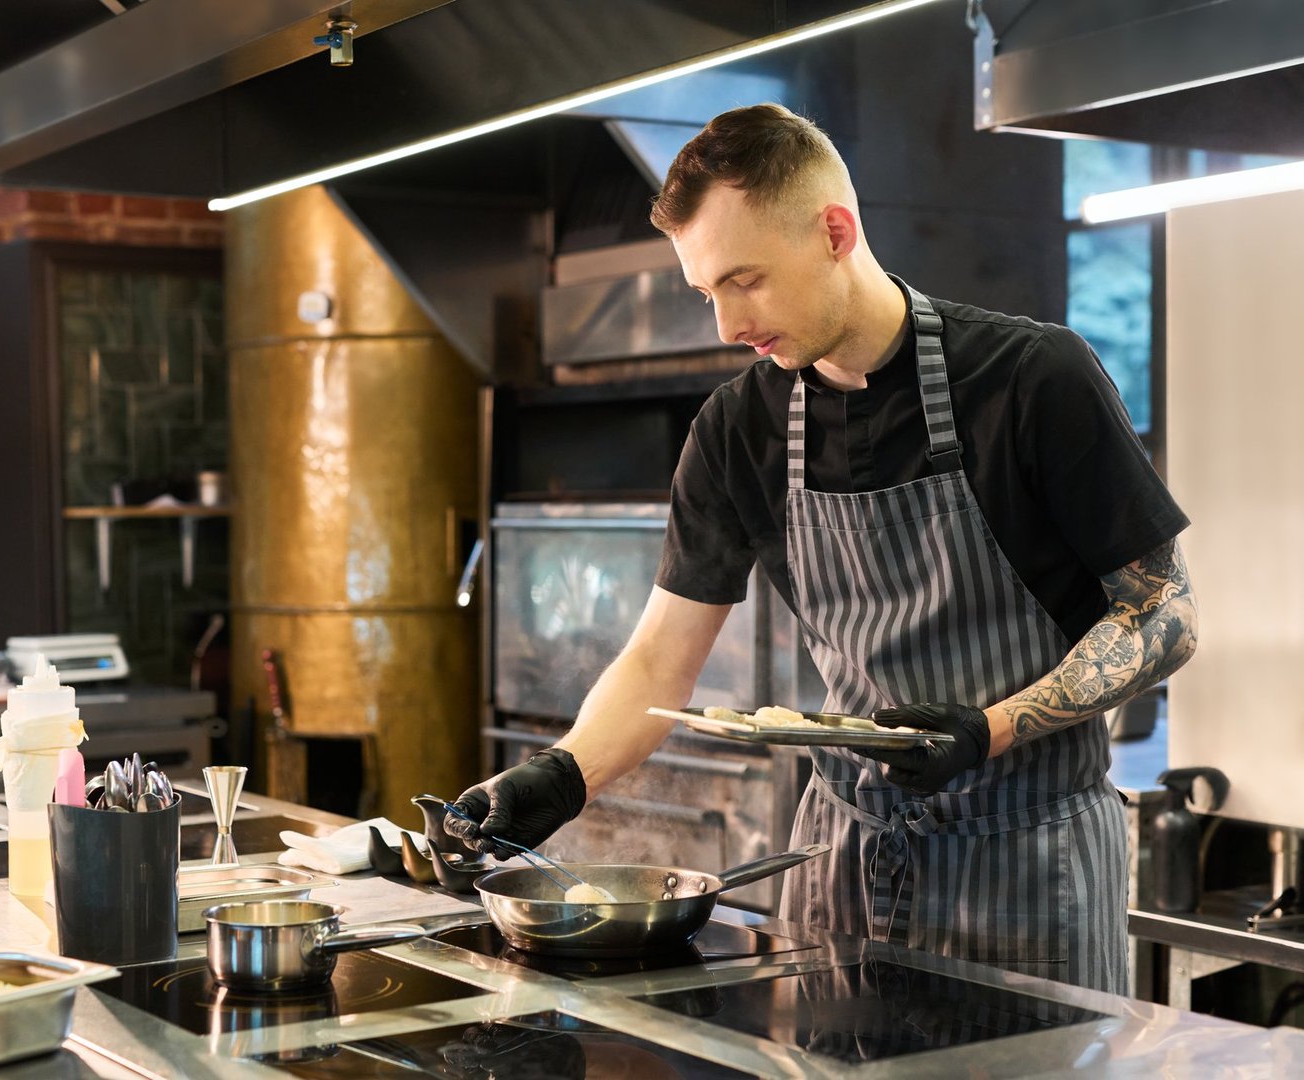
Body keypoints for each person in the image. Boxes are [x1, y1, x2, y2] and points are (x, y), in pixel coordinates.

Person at [445, 104, 1198, 994]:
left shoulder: (1033, 379)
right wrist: (560, 778)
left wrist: (986, 732)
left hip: (1027, 865)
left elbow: (1163, 617)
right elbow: (659, 661)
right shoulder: (738, 430)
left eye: (746, 280)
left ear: (836, 232)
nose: (727, 324)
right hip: (844, 864)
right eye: (706, 292)